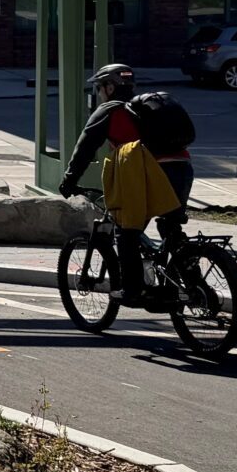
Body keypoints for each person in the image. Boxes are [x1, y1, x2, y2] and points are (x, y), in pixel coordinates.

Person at [61, 64, 196, 307]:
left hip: (148, 172)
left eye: (100, 88)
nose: (99, 93)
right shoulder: (147, 110)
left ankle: (134, 289)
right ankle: (196, 288)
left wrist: (69, 180)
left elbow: (85, 147)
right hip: (182, 167)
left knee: (127, 229)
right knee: (170, 227)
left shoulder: (109, 110)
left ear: (110, 87)